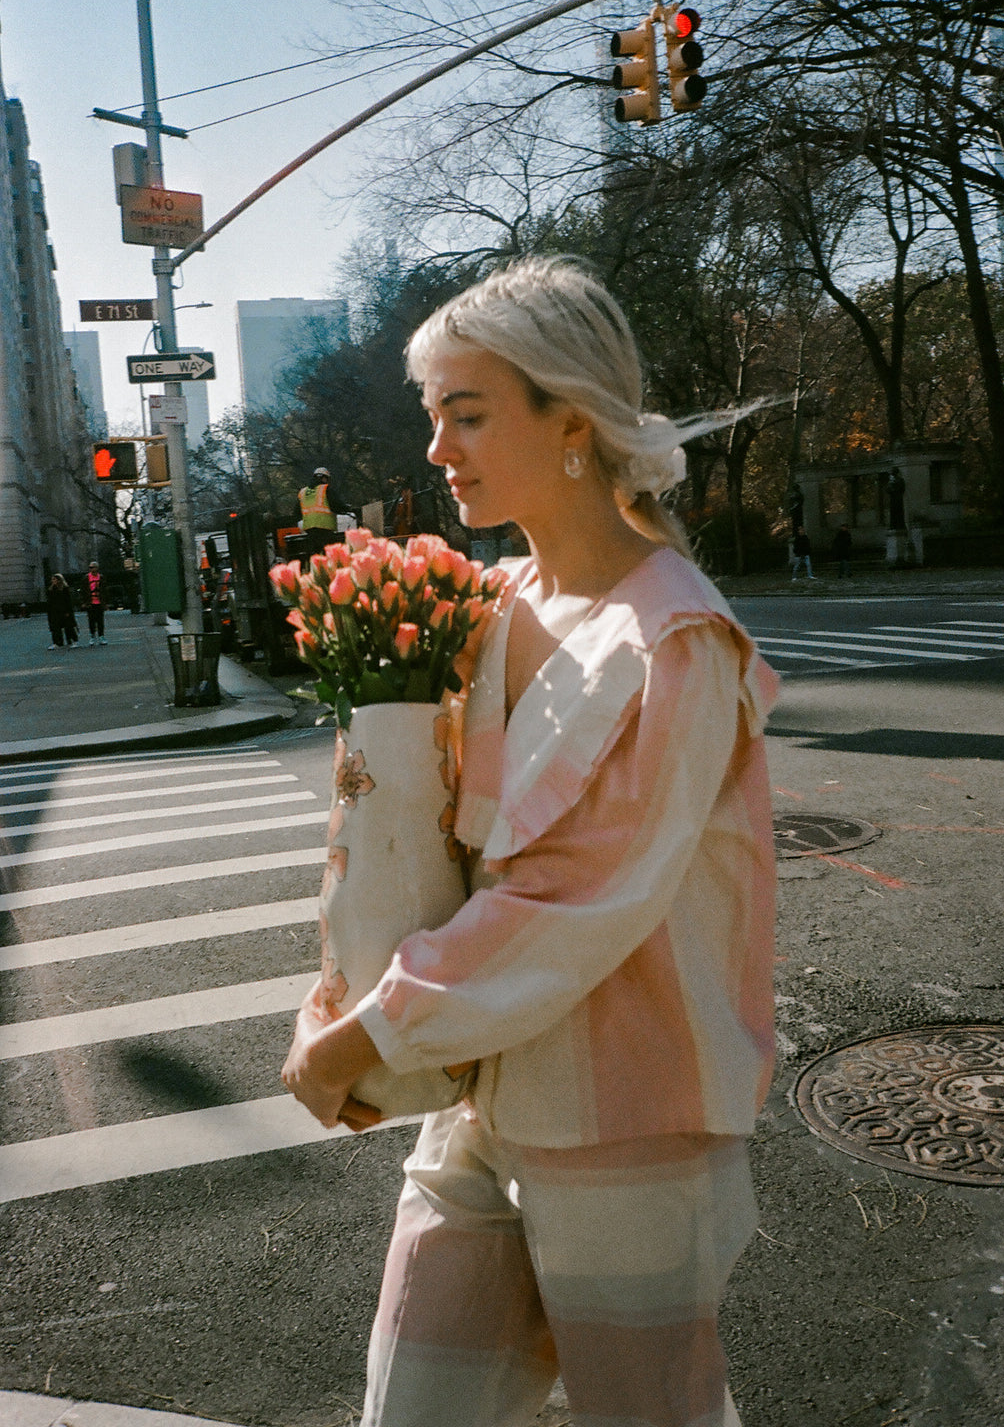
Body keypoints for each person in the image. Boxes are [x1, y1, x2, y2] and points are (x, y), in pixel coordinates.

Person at [282, 257, 779, 1427]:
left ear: (569, 420)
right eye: (434, 417)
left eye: (466, 413)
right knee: (410, 1405)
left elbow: (573, 901)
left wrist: (366, 1031)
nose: (437, 450)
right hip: (481, 1098)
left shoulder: (674, 639)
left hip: (632, 1125)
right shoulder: (492, 602)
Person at [298, 466, 344, 557]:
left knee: (317, 555)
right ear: (324, 478)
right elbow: (336, 505)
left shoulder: (303, 492)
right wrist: (346, 509)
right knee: (329, 554)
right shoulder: (325, 489)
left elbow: (296, 512)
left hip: (309, 529)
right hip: (325, 528)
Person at [45, 574, 78, 649]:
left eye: (54, 579)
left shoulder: (64, 589)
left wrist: (68, 611)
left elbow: (67, 601)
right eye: (52, 579)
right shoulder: (51, 590)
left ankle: (74, 640)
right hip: (54, 611)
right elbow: (49, 601)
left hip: (64, 610)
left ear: (59, 580)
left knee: (68, 626)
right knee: (55, 627)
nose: (53, 581)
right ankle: (57, 642)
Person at [83, 561, 107, 644]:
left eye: (93, 567)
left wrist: (105, 602)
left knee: (100, 620)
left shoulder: (101, 577)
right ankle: (92, 636)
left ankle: (101, 636)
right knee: (91, 620)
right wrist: (84, 602)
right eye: (90, 567)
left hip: (99, 602)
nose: (91, 569)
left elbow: (104, 590)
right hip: (90, 603)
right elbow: (83, 590)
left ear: (97, 568)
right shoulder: (86, 578)